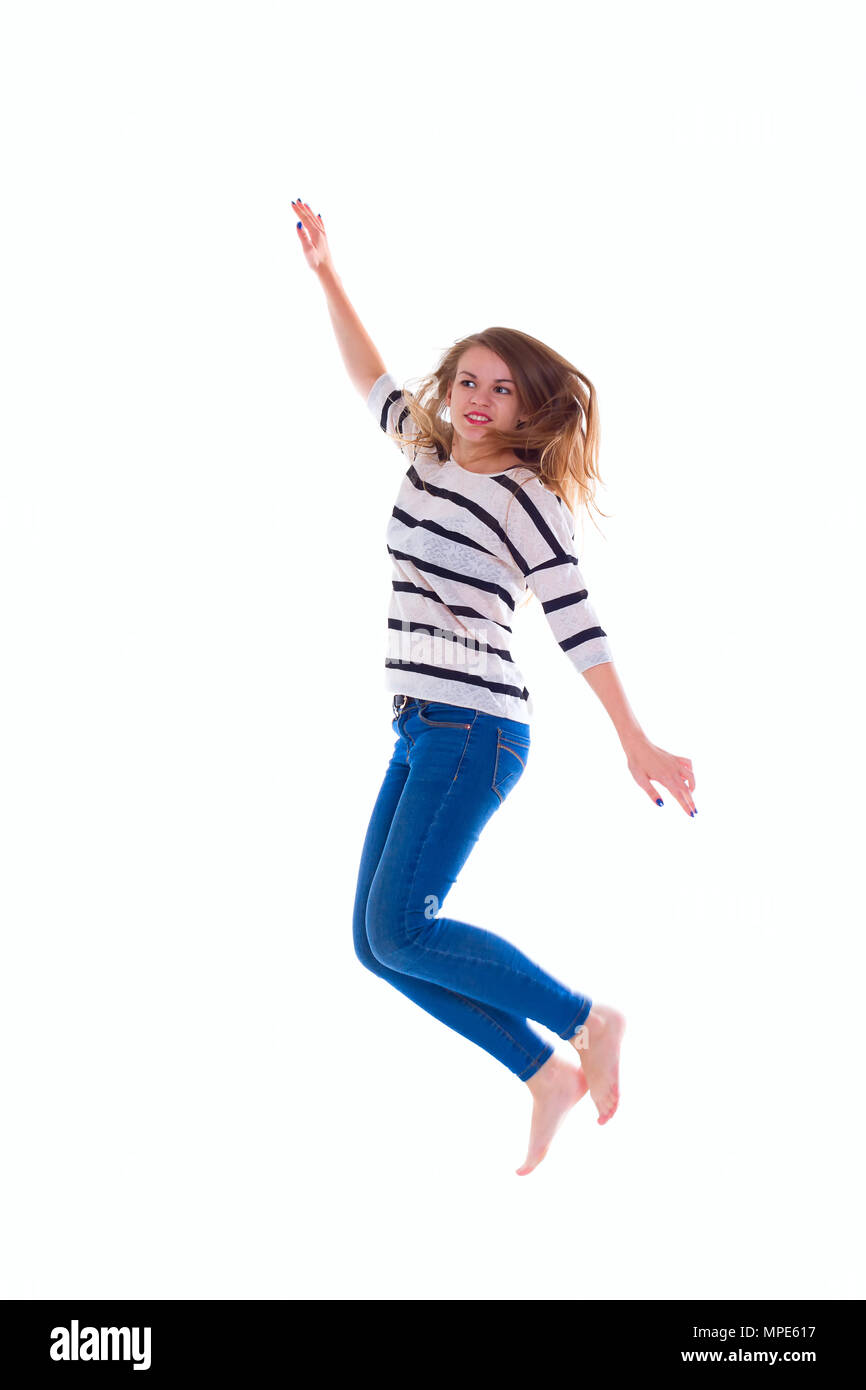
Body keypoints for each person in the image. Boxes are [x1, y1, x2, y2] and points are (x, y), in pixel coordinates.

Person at [291, 197, 697, 1176]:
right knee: (374, 941)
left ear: (528, 409)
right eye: (467, 381)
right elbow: (371, 377)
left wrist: (632, 738)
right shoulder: (428, 455)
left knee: (401, 927)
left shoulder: (525, 499)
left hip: (476, 728)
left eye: (500, 390)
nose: (477, 398)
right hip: (420, 727)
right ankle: (540, 1070)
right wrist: (327, 273)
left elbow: (574, 620)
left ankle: (584, 1020)